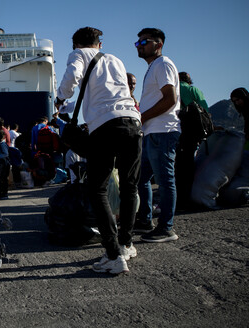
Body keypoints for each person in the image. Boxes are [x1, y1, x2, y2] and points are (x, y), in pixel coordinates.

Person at [55, 27, 142, 274]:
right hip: (133, 122)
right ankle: (126, 244)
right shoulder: (115, 59)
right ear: (100, 44)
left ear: (76, 44)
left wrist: (60, 98)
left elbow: (72, 78)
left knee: (98, 189)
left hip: (106, 126)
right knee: (129, 186)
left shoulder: (78, 54)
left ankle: (113, 255)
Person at [135, 28, 181, 243]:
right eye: (137, 42)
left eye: (144, 41)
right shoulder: (154, 66)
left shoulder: (163, 64)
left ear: (159, 44)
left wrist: (142, 117)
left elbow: (170, 99)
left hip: (163, 131)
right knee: (140, 178)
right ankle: (144, 220)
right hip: (151, 132)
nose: (139, 45)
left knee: (165, 181)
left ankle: (166, 228)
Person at [176, 72, 210, 209]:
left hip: (175, 130)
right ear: (189, 80)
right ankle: (189, 196)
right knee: (189, 164)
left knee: (178, 165)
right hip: (192, 133)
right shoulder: (193, 90)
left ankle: (179, 197)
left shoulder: (172, 89)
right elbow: (205, 110)